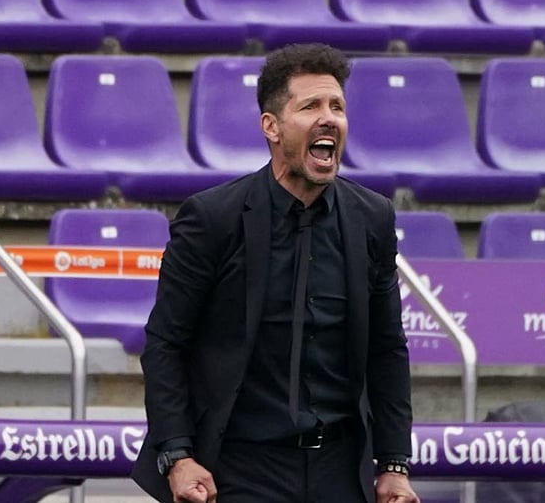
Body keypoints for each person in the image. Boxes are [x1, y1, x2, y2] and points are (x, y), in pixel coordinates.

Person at [131, 43, 420, 503]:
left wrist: (393, 465)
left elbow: (387, 349)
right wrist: (178, 455)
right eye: (310, 106)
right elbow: (166, 342)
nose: (329, 118)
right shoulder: (212, 218)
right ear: (271, 126)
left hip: (340, 472)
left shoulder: (373, 218)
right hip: (238, 471)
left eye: (337, 106)